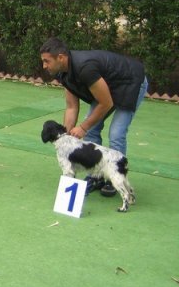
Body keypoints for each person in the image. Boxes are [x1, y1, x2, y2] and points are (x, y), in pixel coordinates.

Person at [39, 37, 148, 196]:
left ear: (61, 58)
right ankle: (97, 176)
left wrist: (83, 127)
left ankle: (114, 177)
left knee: (116, 133)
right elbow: (71, 106)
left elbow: (106, 103)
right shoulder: (63, 73)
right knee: (92, 129)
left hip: (130, 82)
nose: (44, 65)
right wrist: (65, 136)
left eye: (46, 61)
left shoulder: (85, 68)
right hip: (107, 87)